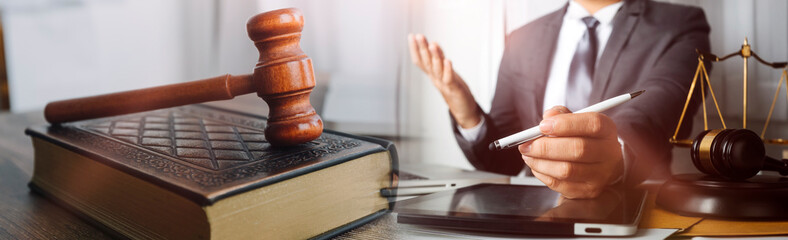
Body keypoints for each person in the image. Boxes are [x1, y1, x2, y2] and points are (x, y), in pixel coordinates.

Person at [408, 0, 709, 199]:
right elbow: (502, 160)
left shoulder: (679, 23)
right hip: (529, 210)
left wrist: (612, 158)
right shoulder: (522, 37)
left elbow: (653, 115)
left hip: (634, 202)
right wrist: (467, 113)